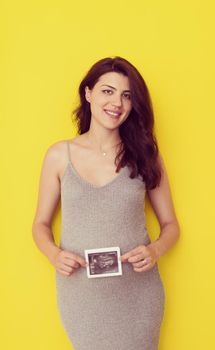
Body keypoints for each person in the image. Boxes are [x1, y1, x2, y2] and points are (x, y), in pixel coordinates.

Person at [32, 56, 180, 350]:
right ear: (88, 93)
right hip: (81, 295)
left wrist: (155, 250)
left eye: (127, 95)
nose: (117, 103)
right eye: (107, 91)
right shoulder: (60, 155)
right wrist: (53, 254)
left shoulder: (146, 155)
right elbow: (40, 224)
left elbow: (171, 225)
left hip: (138, 294)